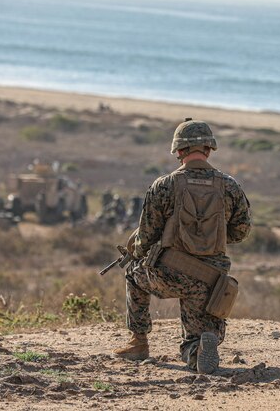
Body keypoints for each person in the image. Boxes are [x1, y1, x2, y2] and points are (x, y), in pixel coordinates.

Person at [113, 119, 251, 374]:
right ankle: (198, 348)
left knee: (133, 273)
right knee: (197, 332)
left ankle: (139, 342)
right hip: (210, 281)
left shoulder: (163, 185)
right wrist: (212, 238)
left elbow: (145, 238)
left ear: (179, 151)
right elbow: (241, 231)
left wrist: (144, 248)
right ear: (209, 149)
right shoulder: (230, 186)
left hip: (168, 274)